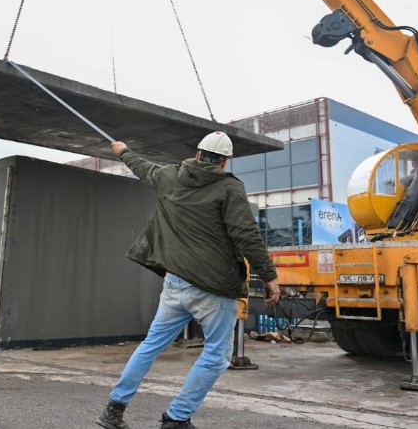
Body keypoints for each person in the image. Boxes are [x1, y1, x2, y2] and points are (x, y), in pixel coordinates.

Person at [96, 131, 281, 429]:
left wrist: (122, 151)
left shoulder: (169, 176)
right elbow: (246, 235)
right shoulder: (229, 187)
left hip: (175, 283)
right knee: (216, 355)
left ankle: (113, 409)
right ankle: (177, 417)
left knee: (150, 346)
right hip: (214, 288)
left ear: (197, 154)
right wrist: (270, 277)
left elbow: (142, 167)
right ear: (223, 162)